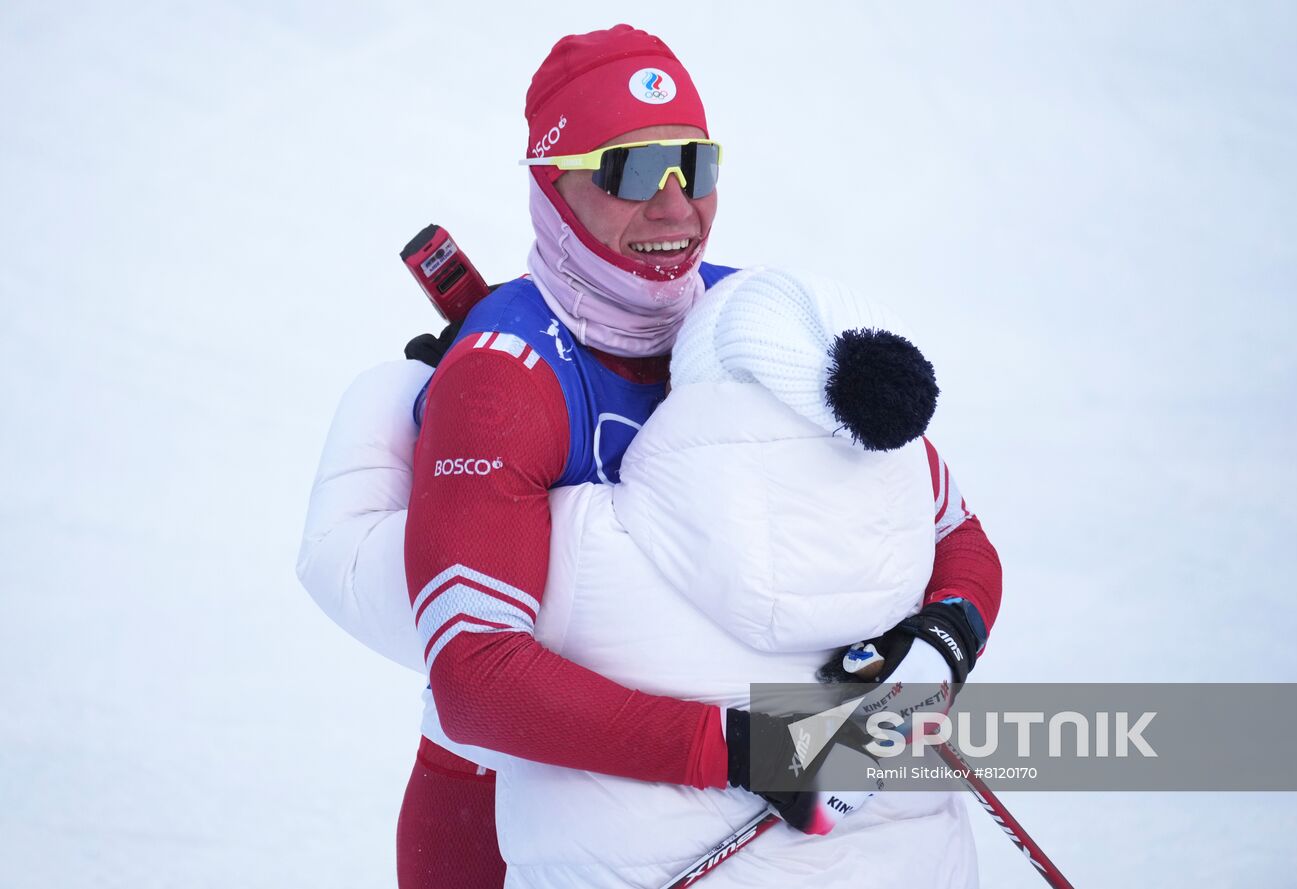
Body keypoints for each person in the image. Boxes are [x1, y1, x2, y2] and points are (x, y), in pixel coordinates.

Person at [298, 23, 1002, 889]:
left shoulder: (755, 316)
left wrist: (928, 662)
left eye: (696, 164)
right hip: (576, 777)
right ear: (552, 186)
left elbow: (956, 532)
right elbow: (475, 684)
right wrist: (761, 750)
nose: (677, 208)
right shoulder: (503, 382)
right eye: (631, 170)